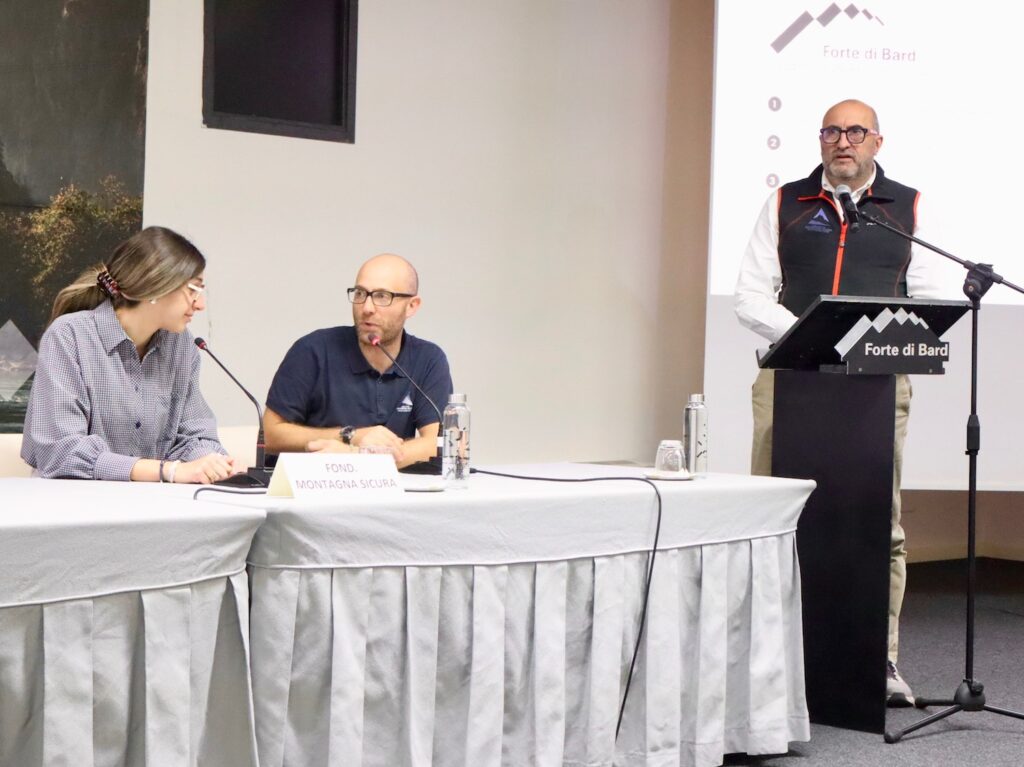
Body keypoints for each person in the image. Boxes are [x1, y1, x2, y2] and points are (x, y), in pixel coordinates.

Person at [734, 99, 944, 707]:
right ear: (820, 140)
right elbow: (751, 296)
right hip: (790, 380)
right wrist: (813, 335)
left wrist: (868, 342)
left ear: (877, 141)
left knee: (881, 525)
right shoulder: (787, 204)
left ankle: (880, 660)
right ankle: (767, 664)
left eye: (856, 131)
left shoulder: (904, 207)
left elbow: (929, 294)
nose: (843, 141)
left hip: (876, 388)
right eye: (832, 131)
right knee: (771, 520)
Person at [21, 226, 237, 484]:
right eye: (193, 290)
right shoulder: (69, 336)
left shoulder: (182, 346)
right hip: (72, 508)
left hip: (151, 507)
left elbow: (194, 437)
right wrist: (166, 471)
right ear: (156, 285)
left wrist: (211, 462)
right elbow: (60, 451)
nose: (200, 305)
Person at [264, 253, 452, 468]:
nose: (367, 308)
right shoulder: (313, 351)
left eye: (382, 296)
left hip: (389, 494)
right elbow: (270, 435)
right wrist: (351, 436)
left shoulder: (428, 359)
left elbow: (439, 444)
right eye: (360, 293)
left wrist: (357, 457)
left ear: (412, 306)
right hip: (314, 489)